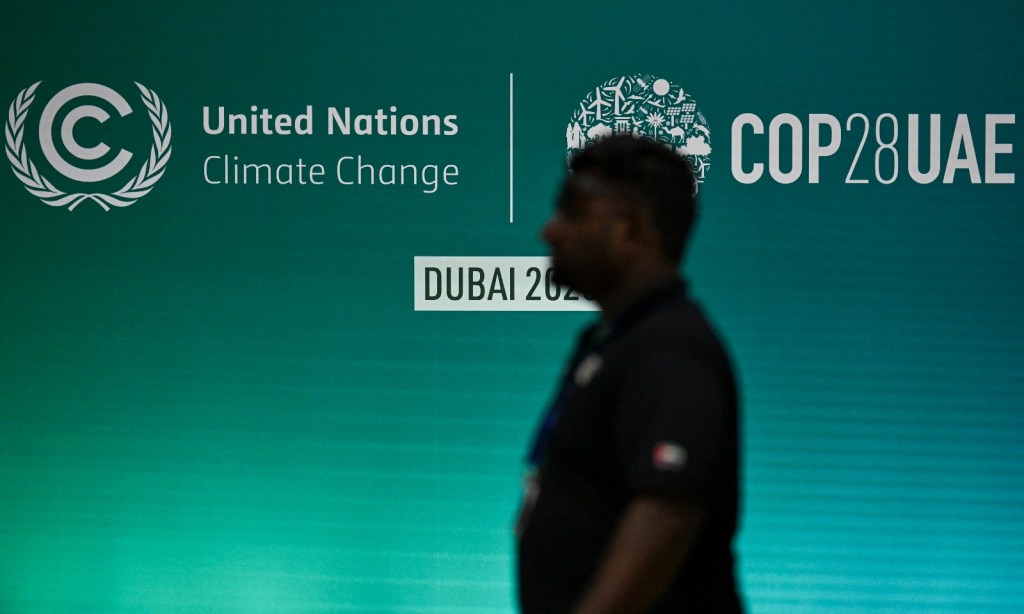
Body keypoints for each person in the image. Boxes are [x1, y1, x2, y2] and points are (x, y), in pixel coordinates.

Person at [516, 134, 743, 613]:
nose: (550, 231)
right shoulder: (612, 341)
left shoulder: (671, 349)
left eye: (573, 212)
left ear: (632, 229)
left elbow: (667, 514)